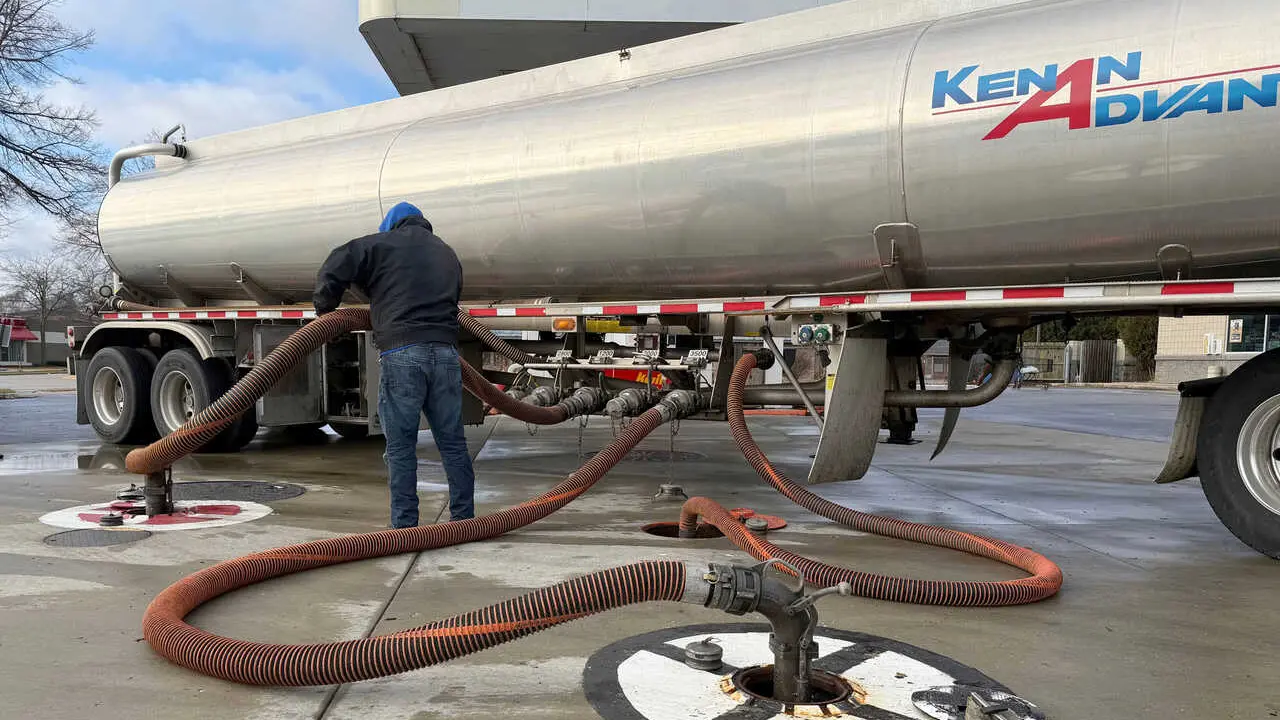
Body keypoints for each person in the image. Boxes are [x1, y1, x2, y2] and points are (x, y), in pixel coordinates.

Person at [313, 202, 476, 528]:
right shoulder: (446, 253)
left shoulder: (380, 244)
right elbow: (454, 295)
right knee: (453, 444)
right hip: (445, 353)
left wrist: (325, 309)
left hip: (403, 353)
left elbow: (337, 261)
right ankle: (464, 520)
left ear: (392, 224)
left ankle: (404, 527)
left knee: (401, 446)